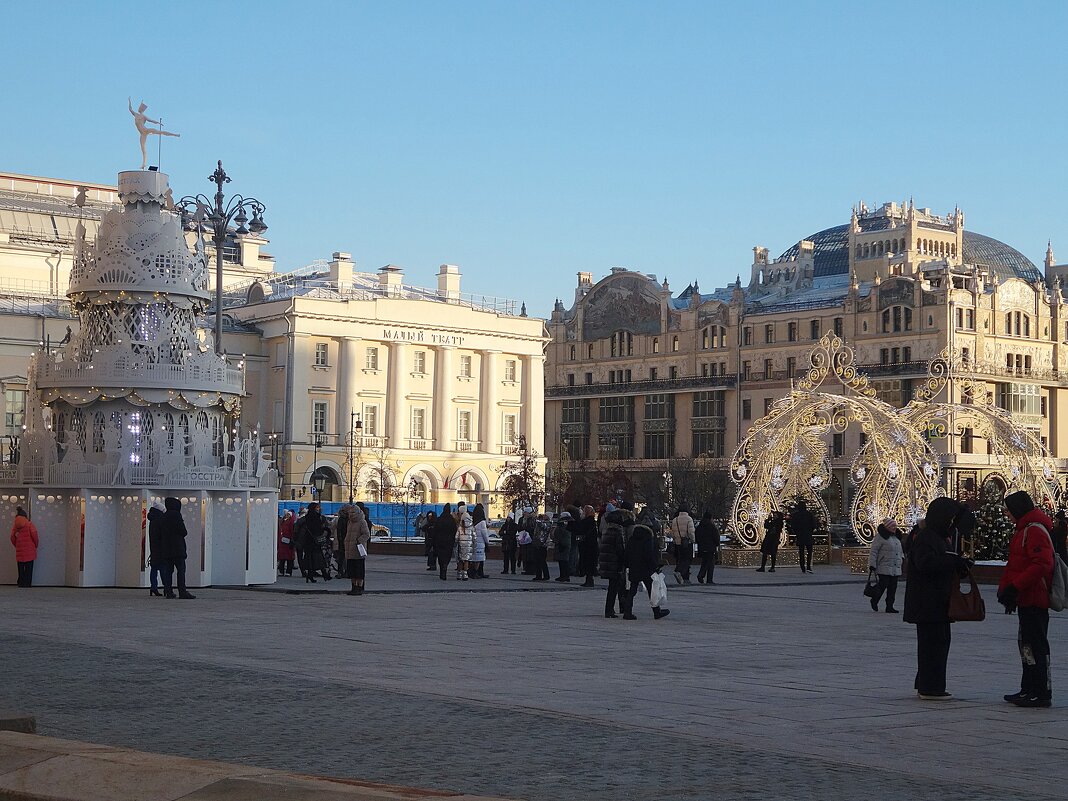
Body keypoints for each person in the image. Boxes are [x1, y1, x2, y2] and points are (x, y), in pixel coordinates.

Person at [903, 496, 970, 700]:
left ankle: (927, 682)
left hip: (937, 602)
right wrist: (951, 561)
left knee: (938, 644)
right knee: (932, 645)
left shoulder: (939, 537)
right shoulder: (926, 537)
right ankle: (930, 687)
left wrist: (960, 564)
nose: (951, 523)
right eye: (949, 518)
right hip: (928, 603)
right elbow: (926, 564)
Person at [998, 491, 1055, 708]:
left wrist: (1015, 586)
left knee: (1036, 644)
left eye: (1008, 509)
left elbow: (1041, 564)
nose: (1006, 513)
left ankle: (1041, 692)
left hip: (1034, 597)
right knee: (1026, 645)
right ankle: (1028, 687)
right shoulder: (1023, 529)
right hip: (1025, 597)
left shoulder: (1033, 530)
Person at [627, 522, 670, 620]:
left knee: (632, 590)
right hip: (645, 568)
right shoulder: (647, 539)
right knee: (652, 589)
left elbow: (627, 553)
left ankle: (627, 611)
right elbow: (649, 554)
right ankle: (656, 611)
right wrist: (655, 566)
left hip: (634, 566)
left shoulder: (632, 538)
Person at [158, 496, 195, 599]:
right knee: (181, 571)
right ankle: (182, 591)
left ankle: (169, 591)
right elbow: (183, 531)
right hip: (178, 549)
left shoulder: (163, 517)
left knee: (168, 571)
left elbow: (160, 534)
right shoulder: (176, 515)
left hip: (167, 549)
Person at [598, 507, 631, 619]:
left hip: (607, 561)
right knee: (614, 587)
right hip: (614, 562)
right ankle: (609, 610)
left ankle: (609, 609)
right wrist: (623, 561)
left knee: (612, 587)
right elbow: (619, 549)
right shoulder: (617, 531)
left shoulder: (606, 530)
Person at [867, 519, 903, 613]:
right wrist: (872, 564)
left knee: (893, 588)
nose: (894, 528)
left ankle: (890, 606)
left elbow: (899, 551)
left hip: (895, 567)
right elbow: (874, 551)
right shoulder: (880, 537)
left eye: (895, 526)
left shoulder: (896, 537)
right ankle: (875, 599)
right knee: (882, 585)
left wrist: (901, 559)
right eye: (892, 526)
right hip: (884, 566)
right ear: (887, 527)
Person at [342, 503, 371, 596]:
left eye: (353, 512)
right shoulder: (350, 521)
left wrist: (359, 541)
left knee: (359, 570)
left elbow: (366, 534)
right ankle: (353, 586)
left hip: (358, 550)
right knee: (352, 570)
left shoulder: (362, 521)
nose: (351, 514)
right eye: (350, 512)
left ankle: (359, 587)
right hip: (349, 549)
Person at [11, 506, 39, 588]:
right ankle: (27, 583)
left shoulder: (15, 526)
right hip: (30, 549)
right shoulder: (29, 524)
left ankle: (21, 583)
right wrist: (35, 545)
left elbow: (12, 537)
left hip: (20, 549)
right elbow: (34, 535)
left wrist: (17, 545)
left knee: (20, 567)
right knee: (29, 568)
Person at [302, 503, 331, 582]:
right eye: (317, 507)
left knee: (310, 558)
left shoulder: (307, 517)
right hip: (314, 540)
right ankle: (324, 574)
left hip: (308, 540)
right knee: (318, 557)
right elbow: (318, 529)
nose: (319, 508)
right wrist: (325, 530)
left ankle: (310, 575)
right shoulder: (316, 517)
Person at [669, 504, 696, 585]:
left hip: (678, 543)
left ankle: (683, 577)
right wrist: (693, 540)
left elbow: (672, 533)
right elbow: (691, 532)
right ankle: (679, 572)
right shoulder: (689, 519)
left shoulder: (675, 520)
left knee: (680, 559)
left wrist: (676, 539)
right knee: (687, 559)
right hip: (687, 543)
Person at [432, 504, 457, 581]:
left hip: (439, 541)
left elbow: (435, 530)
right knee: (447, 556)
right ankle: (445, 566)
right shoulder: (452, 520)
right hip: (449, 542)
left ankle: (442, 570)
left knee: (440, 556)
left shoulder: (439, 519)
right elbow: (454, 530)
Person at [789, 500, 816, 573]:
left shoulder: (796, 515)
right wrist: (810, 530)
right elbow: (813, 524)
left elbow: (793, 525)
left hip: (800, 535)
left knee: (801, 552)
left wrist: (797, 532)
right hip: (808, 535)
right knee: (809, 551)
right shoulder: (809, 514)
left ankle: (802, 567)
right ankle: (808, 566)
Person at [577, 505, 599, 587]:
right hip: (592, 545)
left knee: (587, 562)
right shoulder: (592, 522)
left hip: (586, 545)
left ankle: (589, 580)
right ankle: (589, 579)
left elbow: (580, 532)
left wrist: (579, 540)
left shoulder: (586, 522)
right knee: (590, 563)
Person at [695, 512, 719, 585]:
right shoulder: (712, 527)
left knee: (704, 562)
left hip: (702, 548)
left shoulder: (700, 526)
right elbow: (716, 537)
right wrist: (716, 544)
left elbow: (697, 536)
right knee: (710, 563)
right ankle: (708, 578)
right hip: (710, 548)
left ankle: (701, 575)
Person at [147, 501, 165, 595]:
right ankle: (166, 587)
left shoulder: (152, 520)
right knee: (163, 568)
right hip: (160, 548)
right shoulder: (160, 520)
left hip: (153, 547)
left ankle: (153, 587)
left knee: (154, 568)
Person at [454, 503, 474, 581]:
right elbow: (474, 535)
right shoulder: (471, 525)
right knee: (466, 560)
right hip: (468, 545)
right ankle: (465, 574)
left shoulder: (460, 526)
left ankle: (459, 573)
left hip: (460, 545)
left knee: (460, 560)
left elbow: (456, 536)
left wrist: (455, 542)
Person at [531, 513, 552, 581]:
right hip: (537, 543)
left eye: (546, 515)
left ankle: (546, 575)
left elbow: (543, 526)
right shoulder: (541, 522)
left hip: (543, 544)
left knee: (542, 561)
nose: (544, 516)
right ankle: (538, 575)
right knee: (537, 560)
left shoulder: (549, 523)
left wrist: (537, 520)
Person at [470, 503, 490, 578]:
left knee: (474, 559)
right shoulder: (482, 522)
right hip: (481, 543)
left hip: (474, 542)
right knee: (479, 559)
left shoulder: (473, 521)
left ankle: (474, 572)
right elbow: (484, 533)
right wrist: (487, 541)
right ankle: (476, 573)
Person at [553, 511, 573, 582]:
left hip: (563, 543)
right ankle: (564, 575)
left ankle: (564, 576)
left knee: (563, 561)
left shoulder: (564, 524)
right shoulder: (566, 524)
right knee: (562, 560)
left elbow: (562, 533)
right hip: (563, 543)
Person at [277, 510, 296, 577]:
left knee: (289, 558)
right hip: (282, 542)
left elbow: (292, 532)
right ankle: (281, 571)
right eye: (286, 514)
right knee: (282, 558)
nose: (287, 515)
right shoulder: (282, 521)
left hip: (288, 542)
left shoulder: (291, 522)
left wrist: (292, 540)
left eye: (288, 514)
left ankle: (288, 571)